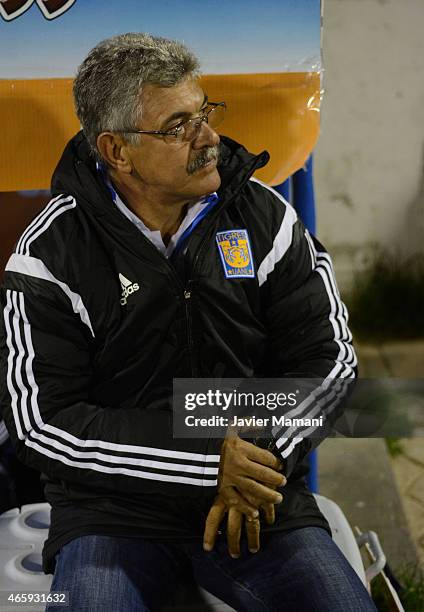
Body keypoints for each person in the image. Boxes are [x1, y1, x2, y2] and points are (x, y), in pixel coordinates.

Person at [0, 33, 376, 611]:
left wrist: (259, 455)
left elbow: (330, 361)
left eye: (205, 113)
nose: (210, 139)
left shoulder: (266, 216)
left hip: (258, 497)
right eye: (179, 127)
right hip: (112, 514)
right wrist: (205, 461)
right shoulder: (50, 252)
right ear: (117, 151)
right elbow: (41, 420)